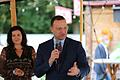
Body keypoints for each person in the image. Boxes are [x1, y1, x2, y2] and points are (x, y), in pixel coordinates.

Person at [34, 15, 90, 80]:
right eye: (59, 29)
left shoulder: (76, 46)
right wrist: (50, 61)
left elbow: (86, 68)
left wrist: (78, 71)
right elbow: (37, 72)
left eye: (65, 28)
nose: (63, 32)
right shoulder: (43, 47)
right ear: (51, 29)